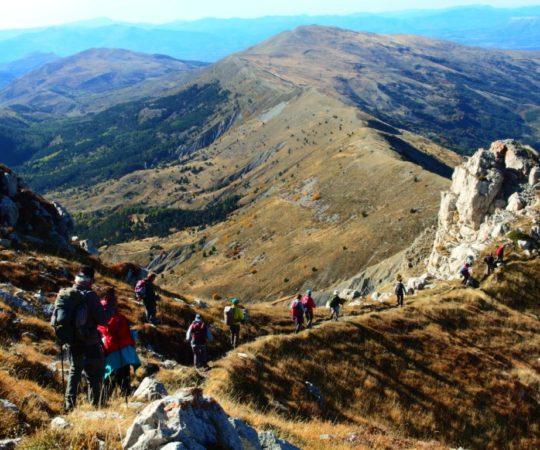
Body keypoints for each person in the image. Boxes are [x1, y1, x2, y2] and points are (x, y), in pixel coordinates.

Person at [63, 266, 114, 412]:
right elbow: (103, 320)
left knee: (75, 372)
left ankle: (69, 406)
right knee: (95, 373)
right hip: (90, 342)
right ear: (91, 280)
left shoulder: (68, 293)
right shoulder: (90, 296)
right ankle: (96, 405)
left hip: (72, 341)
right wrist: (110, 306)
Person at [97, 288, 140, 399]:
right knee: (123, 371)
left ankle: (108, 394)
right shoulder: (112, 311)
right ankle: (125, 390)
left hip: (110, 348)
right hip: (120, 347)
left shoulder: (100, 308)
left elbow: (101, 327)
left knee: (112, 372)